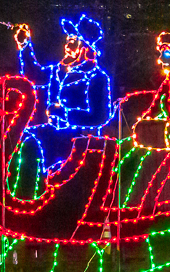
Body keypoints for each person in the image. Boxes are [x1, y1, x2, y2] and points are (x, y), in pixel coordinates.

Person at [13, 14, 114, 185]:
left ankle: (42, 186)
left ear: (86, 48)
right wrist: (24, 46)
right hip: (55, 134)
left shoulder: (97, 78)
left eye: (73, 41)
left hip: (81, 140)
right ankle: (26, 190)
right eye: (68, 40)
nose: (67, 46)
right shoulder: (58, 70)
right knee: (25, 139)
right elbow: (33, 76)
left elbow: (100, 116)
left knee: (39, 150)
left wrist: (64, 113)